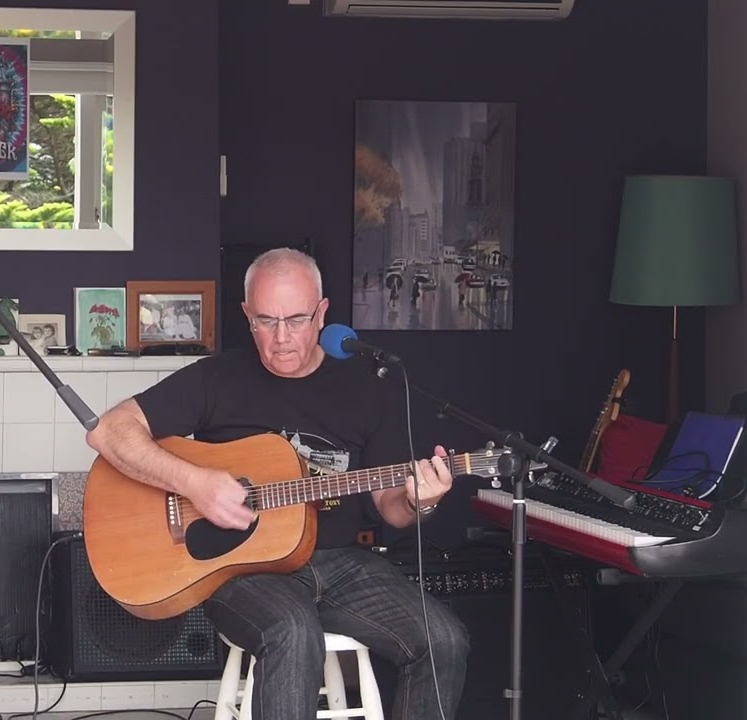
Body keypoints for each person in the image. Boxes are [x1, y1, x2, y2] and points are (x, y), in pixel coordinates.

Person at [85, 248, 470, 720]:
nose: (282, 338)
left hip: (342, 565)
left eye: (297, 320)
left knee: (444, 639)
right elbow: (107, 430)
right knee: (292, 629)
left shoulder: (370, 388)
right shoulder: (215, 379)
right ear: (247, 315)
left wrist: (420, 502)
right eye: (266, 321)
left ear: (323, 313)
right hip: (242, 571)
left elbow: (392, 507)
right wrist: (195, 481)